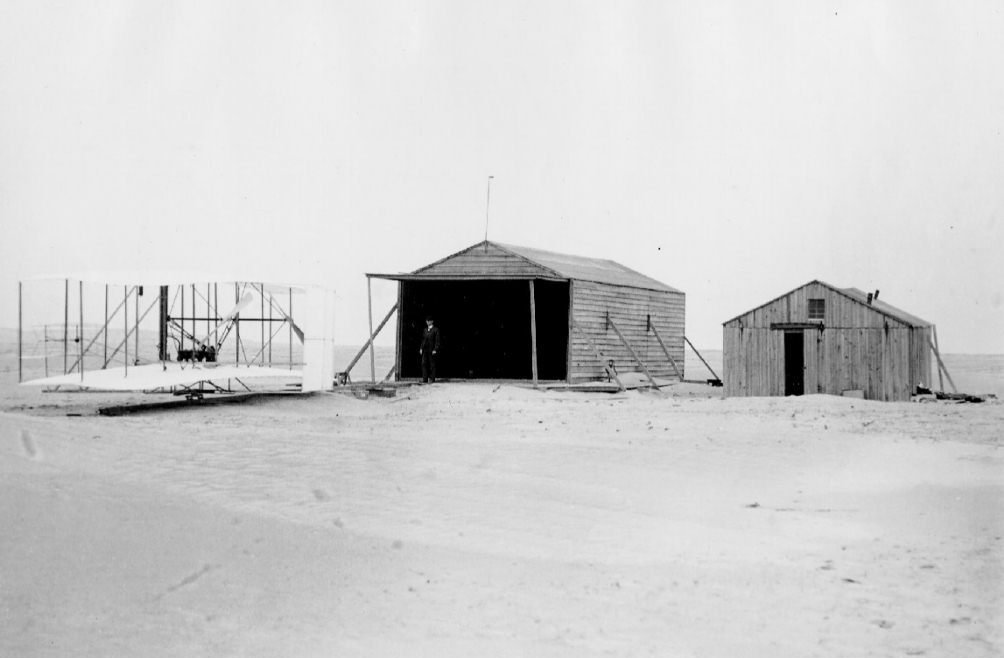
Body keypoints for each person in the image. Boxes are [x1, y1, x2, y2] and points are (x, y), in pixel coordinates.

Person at [419, 316, 440, 383]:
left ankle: (432, 379)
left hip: (432, 350)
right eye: (427, 321)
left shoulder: (436, 330)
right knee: (424, 363)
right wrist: (421, 348)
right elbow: (423, 340)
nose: (427, 322)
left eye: (429, 320)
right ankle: (425, 379)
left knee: (432, 364)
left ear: (432, 321)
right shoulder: (425, 330)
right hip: (425, 350)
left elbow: (437, 341)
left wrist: (435, 349)